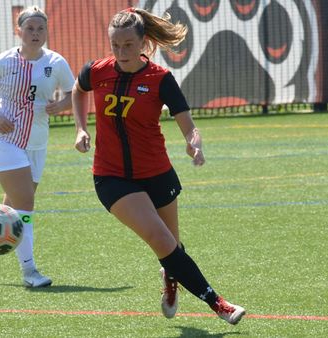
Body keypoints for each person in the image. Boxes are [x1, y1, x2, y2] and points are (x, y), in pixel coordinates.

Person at [72, 7, 245, 324]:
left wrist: (194, 142)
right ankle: (218, 303)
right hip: (112, 179)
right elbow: (78, 90)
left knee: (172, 247)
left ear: (143, 43)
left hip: (158, 173)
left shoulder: (160, 79)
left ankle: (170, 275)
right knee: (163, 241)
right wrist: (81, 127)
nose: (121, 52)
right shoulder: (97, 71)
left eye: (128, 45)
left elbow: (188, 124)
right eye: (115, 46)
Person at [0, 6, 75, 287]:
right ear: (18, 31)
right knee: (26, 205)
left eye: (40, 28)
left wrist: (62, 105)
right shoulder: (2, 62)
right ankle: (30, 272)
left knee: (16, 206)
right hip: (6, 140)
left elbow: (73, 93)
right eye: (29, 28)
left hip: (37, 143)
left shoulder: (56, 62)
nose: (35, 33)